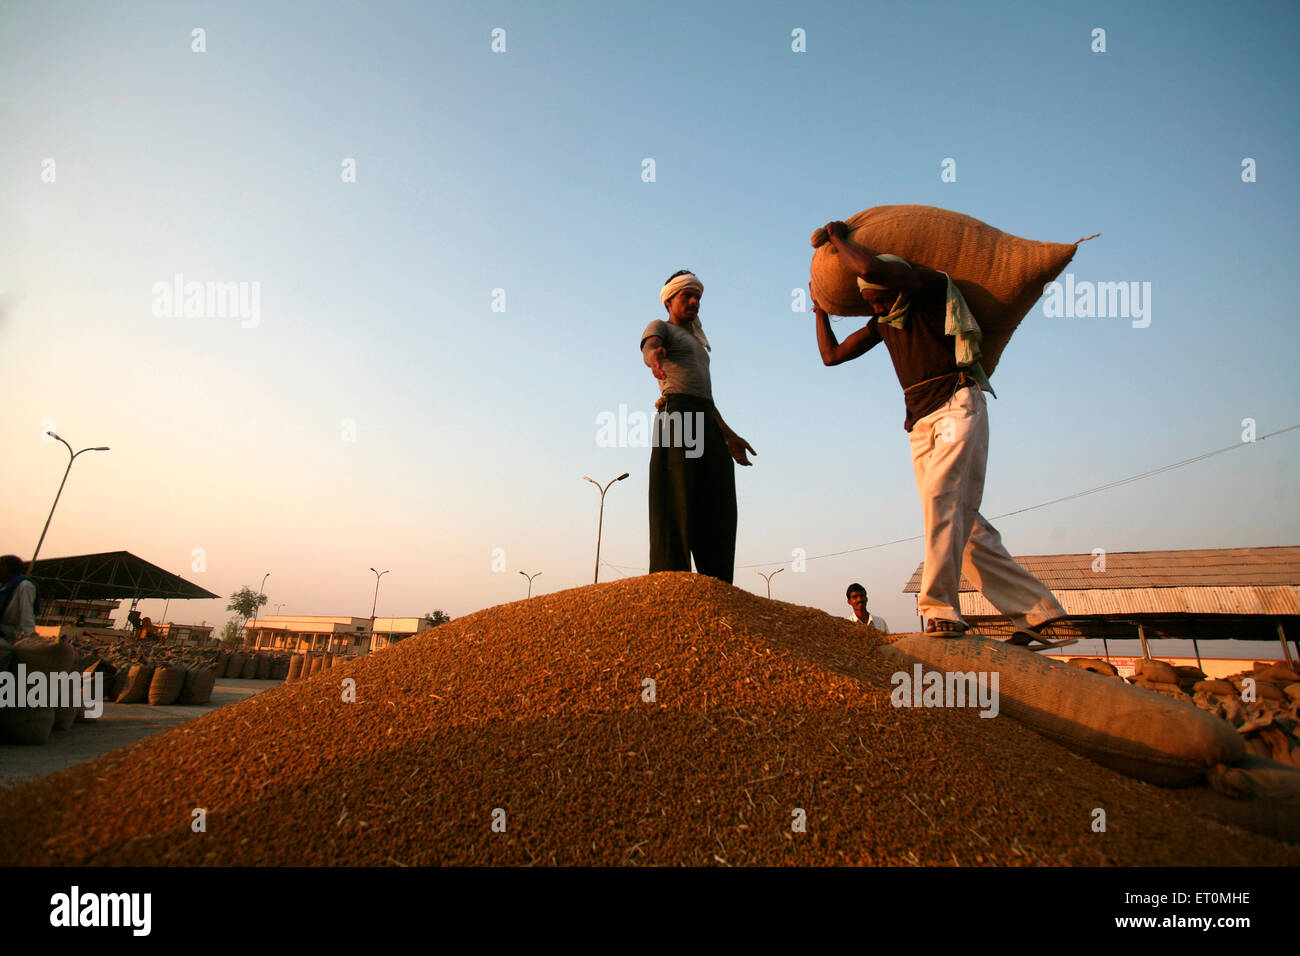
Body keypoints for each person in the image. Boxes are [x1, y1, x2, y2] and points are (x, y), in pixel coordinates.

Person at [812, 221, 1068, 648]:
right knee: (963, 526)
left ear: (896, 284)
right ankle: (1041, 616)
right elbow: (831, 356)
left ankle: (940, 609)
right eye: (868, 302)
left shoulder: (927, 289)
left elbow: (874, 269)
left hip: (956, 404)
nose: (874, 306)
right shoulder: (883, 323)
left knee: (941, 501)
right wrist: (820, 310)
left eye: (878, 297)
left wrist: (839, 238)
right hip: (920, 425)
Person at [640, 270, 756, 583]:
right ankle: (670, 583)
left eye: (698, 298)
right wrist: (654, 357)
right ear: (669, 299)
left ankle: (717, 584)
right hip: (678, 416)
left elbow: (706, 397)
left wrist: (729, 435)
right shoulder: (660, 326)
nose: (694, 302)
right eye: (687, 296)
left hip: (705, 417)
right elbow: (649, 346)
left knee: (717, 500)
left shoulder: (697, 343)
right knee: (676, 499)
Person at [0, 554, 40, 643]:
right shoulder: (3, 585)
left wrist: (29, 638)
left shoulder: (24, 586)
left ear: (5, 568)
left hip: (8, 634)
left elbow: (27, 614)